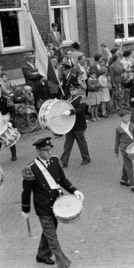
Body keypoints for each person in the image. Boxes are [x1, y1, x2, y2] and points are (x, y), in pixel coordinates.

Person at [21, 137, 84, 268]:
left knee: (49, 231)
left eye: (50, 149)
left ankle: (42, 255)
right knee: (52, 236)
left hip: (56, 205)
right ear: (38, 151)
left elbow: (62, 179)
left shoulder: (55, 161)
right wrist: (25, 209)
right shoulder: (30, 168)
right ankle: (63, 263)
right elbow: (26, 192)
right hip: (43, 207)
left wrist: (74, 190)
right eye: (45, 150)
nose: (48, 152)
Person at [60, 83, 91, 167]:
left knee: (81, 143)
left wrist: (71, 111)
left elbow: (81, 109)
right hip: (70, 125)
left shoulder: (82, 98)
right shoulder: (69, 98)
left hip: (79, 124)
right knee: (67, 144)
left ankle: (86, 158)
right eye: (71, 90)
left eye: (74, 89)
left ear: (78, 90)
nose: (72, 91)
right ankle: (63, 162)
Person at [114, 109, 134, 193]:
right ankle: (132, 185)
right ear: (121, 118)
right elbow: (117, 140)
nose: (128, 118)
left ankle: (123, 180)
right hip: (124, 149)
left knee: (126, 164)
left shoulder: (132, 125)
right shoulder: (118, 128)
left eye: (128, 116)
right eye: (125, 117)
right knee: (129, 165)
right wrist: (116, 150)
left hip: (131, 147)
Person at [0, 88, 17, 161]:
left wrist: (11, 121)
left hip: (6, 120)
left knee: (10, 138)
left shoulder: (7, 99)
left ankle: (14, 154)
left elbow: (13, 111)